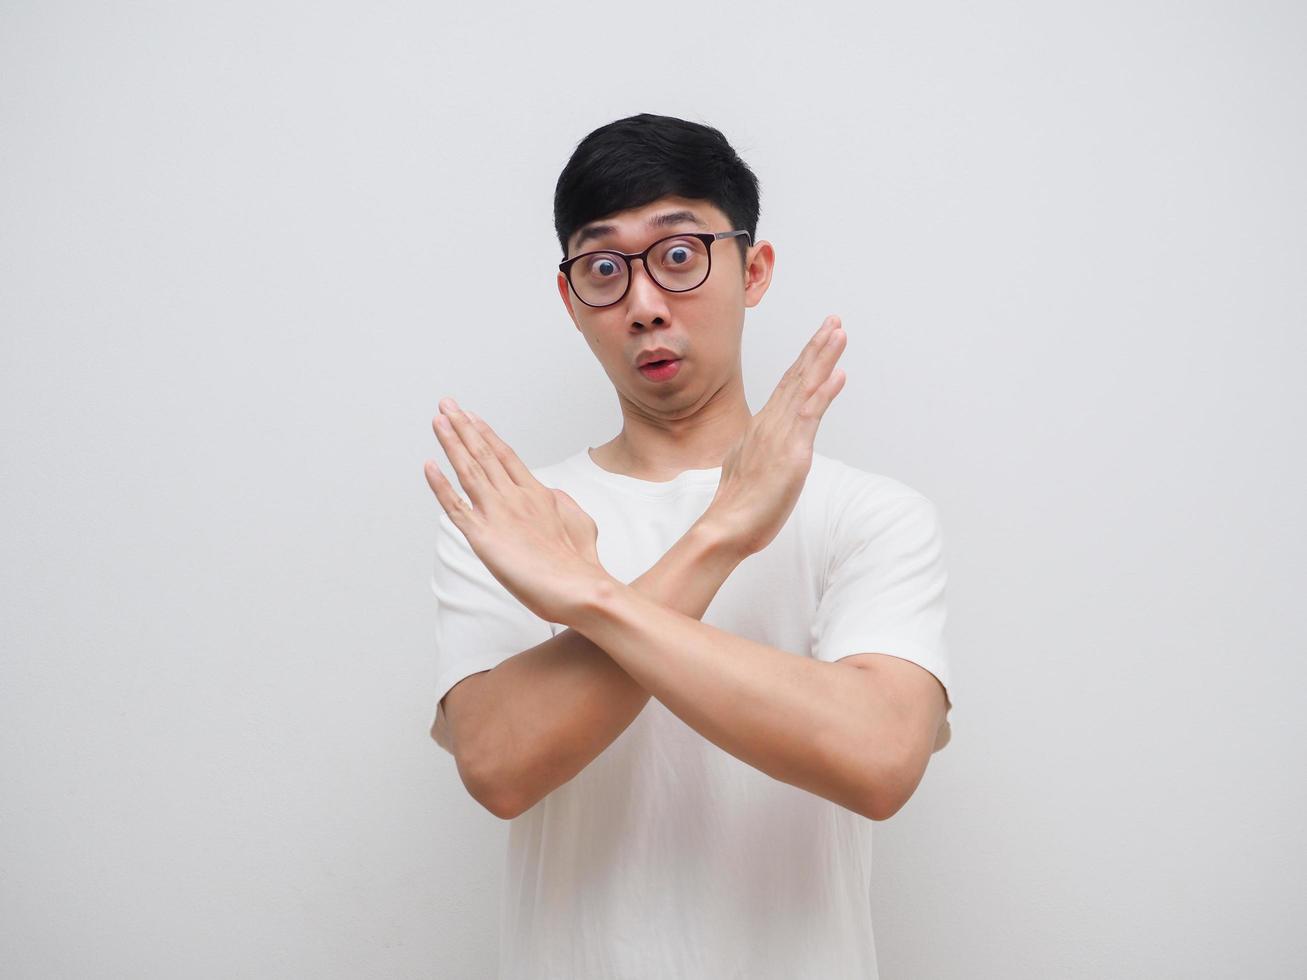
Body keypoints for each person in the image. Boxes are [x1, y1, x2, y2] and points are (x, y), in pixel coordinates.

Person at [422, 112, 953, 980]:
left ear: (753, 269)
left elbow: (879, 759)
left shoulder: (870, 512)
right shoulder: (516, 521)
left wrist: (588, 597)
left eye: (678, 255)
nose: (642, 305)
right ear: (570, 299)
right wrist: (717, 540)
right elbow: (499, 768)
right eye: (602, 268)